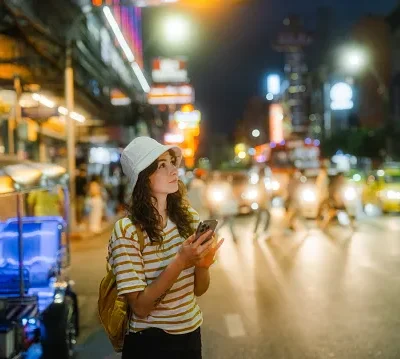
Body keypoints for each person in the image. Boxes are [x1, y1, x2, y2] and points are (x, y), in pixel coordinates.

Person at [108, 137, 224, 359]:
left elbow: (199, 290)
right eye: (162, 165)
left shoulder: (188, 218)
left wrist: (203, 265)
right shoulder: (127, 231)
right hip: (150, 343)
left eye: (172, 162)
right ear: (143, 179)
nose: (174, 170)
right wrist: (181, 261)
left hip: (191, 334)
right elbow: (140, 307)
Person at [253, 168, 271, 237]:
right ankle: (263, 231)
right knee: (263, 216)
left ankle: (257, 231)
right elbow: (263, 192)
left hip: (262, 202)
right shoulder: (262, 181)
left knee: (259, 217)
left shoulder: (261, 181)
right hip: (262, 202)